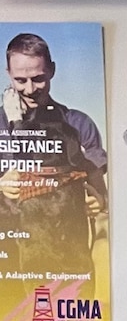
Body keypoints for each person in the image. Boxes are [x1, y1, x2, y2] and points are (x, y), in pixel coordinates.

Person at [0, 32, 108, 276]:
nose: (29, 89)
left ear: (52, 70)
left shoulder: (79, 124)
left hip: (70, 257)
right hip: (9, 260)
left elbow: (101, 191)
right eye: (20, 80)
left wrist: (98, 201)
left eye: (38, 79)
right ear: (8, 74)